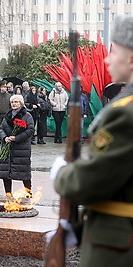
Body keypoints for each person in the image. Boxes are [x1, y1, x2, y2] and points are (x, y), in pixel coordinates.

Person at [50, 15, 133, 266]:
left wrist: (63, 174)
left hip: (117, 246)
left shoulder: (124, 113)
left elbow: (90, 182)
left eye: (114, 51)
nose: (107, 59)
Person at [0, 94, 34, 197]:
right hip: (8, 146)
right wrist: (5, 137)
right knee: (6, 171)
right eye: (12, 102)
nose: (14, 104)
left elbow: (30, 130)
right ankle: (8, 193)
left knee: (24, 172)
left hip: (21, 149)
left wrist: (16, 138)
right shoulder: (8, 115)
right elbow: (1, 129)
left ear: (21, 103)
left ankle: (28, 192)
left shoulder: (27, 116)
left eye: (16, 102)